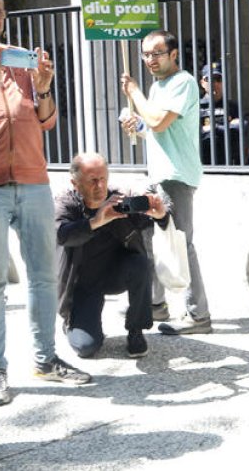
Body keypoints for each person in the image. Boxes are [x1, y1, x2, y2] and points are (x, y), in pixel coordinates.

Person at [0, 0, 91, 407]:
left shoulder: (17, 62)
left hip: (34, 180)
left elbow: (46, 121)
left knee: (43, 276)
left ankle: (45, 359)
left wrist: (42, 86)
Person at [121, 30, 210, 336]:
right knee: (150, 239)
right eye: (146, 54)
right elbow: (157, 129)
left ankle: (198, 315)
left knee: (181, 243)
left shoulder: (182, 82)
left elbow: (160, 121)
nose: (150, 60)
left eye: (157, 54)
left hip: (177, 175)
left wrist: (135, 94)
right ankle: (156, 302)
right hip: (160, 173)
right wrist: (139, 125)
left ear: (173, 54)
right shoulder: (157, 87)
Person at [54, 153, 170, 360]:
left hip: (115, 274)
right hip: (81, 283)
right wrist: (96, 221)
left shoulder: (118, 200)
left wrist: (160, 214)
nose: (99, 186)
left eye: (103, 179)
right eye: (92, 181)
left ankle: (136, 330)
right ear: (75, 183)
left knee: (140, 264)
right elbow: (61, 234)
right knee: (86, 348)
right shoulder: (66, 203)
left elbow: (157, 220)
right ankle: (72, 322)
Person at [199, 66, 240, 165]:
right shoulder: (197, 106)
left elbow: (240, 128)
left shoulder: (232, 106)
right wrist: (226, 126)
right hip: (203, 160)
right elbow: (195, 132)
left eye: (218, 79)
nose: (214, 83)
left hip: (228, 160)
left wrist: (212, 128)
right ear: (202, 83)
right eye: (209, 79)